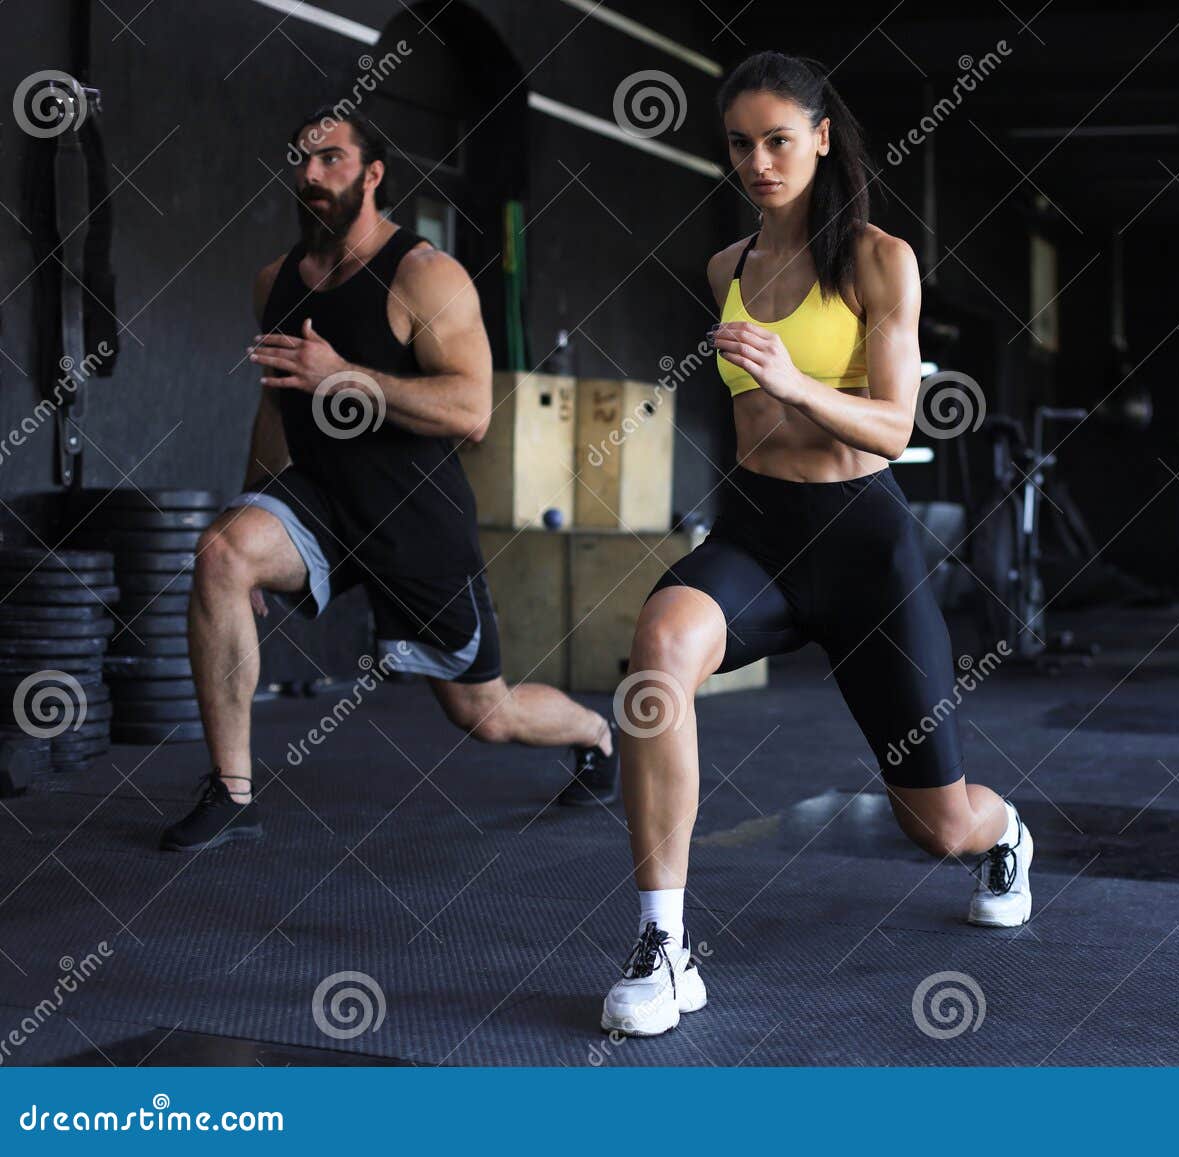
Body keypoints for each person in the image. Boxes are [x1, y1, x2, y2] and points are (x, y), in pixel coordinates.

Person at [600, 53, 1032, 1037]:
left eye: (778, 140)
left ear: (821, 137)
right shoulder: (726, 269)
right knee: (659, 644)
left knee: (937, 825)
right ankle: (662, 943)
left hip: (865, 548)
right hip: (757, 531)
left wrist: (794, 380)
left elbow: (891, 426)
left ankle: (1004, 831)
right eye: (740, 144)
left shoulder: (881, 260)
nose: (758, 161)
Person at [160, 108, 616, 853]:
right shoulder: (274, 282)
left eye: (331, 159)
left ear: (372, 175)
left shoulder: (424, 275)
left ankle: (596, 732)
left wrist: (343, 377)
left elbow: (472, 411)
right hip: (323, 500)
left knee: (484, 713)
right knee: (220, 553)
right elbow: (276, 405)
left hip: (414, 517)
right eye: (302, 160)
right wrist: (251, 511)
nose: (310, 174)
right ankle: (231, 791)